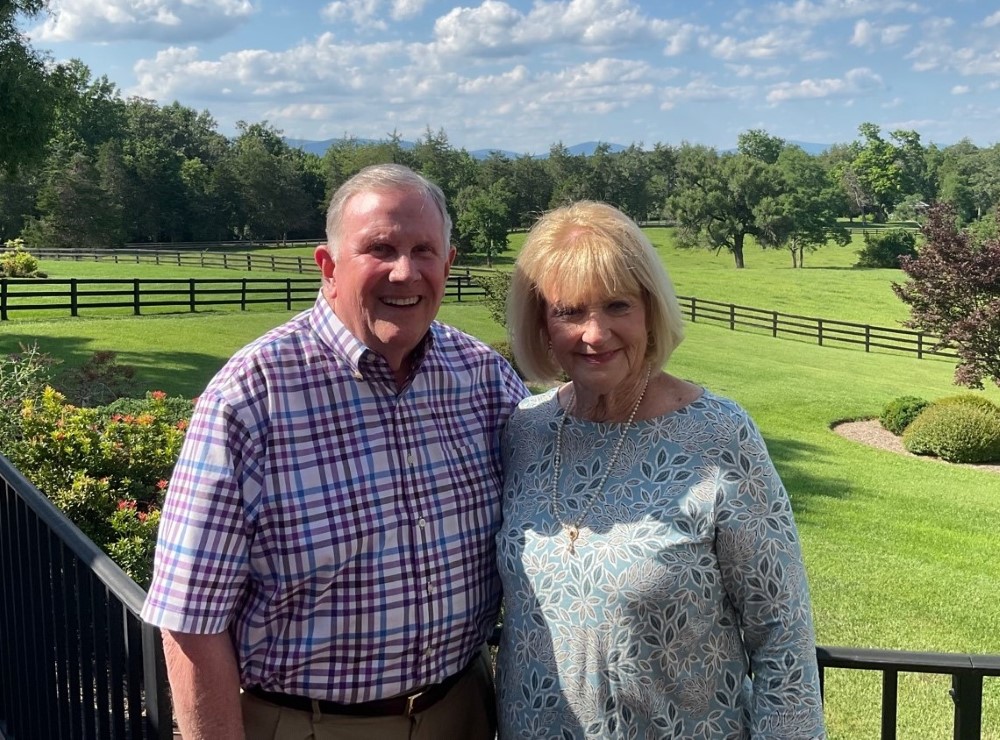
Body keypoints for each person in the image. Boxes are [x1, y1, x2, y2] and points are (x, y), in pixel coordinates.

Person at [141, 163, 528, 740]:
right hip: (307, 724)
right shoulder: (253, 396)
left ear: (448, 265)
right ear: (328, 268)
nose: (405, 272)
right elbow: (191, 620)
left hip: (463, 712)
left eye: (425, 250)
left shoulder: (484, 379)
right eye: (380, 248)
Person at [496, 201, 825, 739]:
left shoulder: (717, 435)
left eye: (617, 305)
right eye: (569, 311)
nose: (595, 333)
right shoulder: (525, 432)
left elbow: (781, 632)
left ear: (651, 309)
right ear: (541, 323)